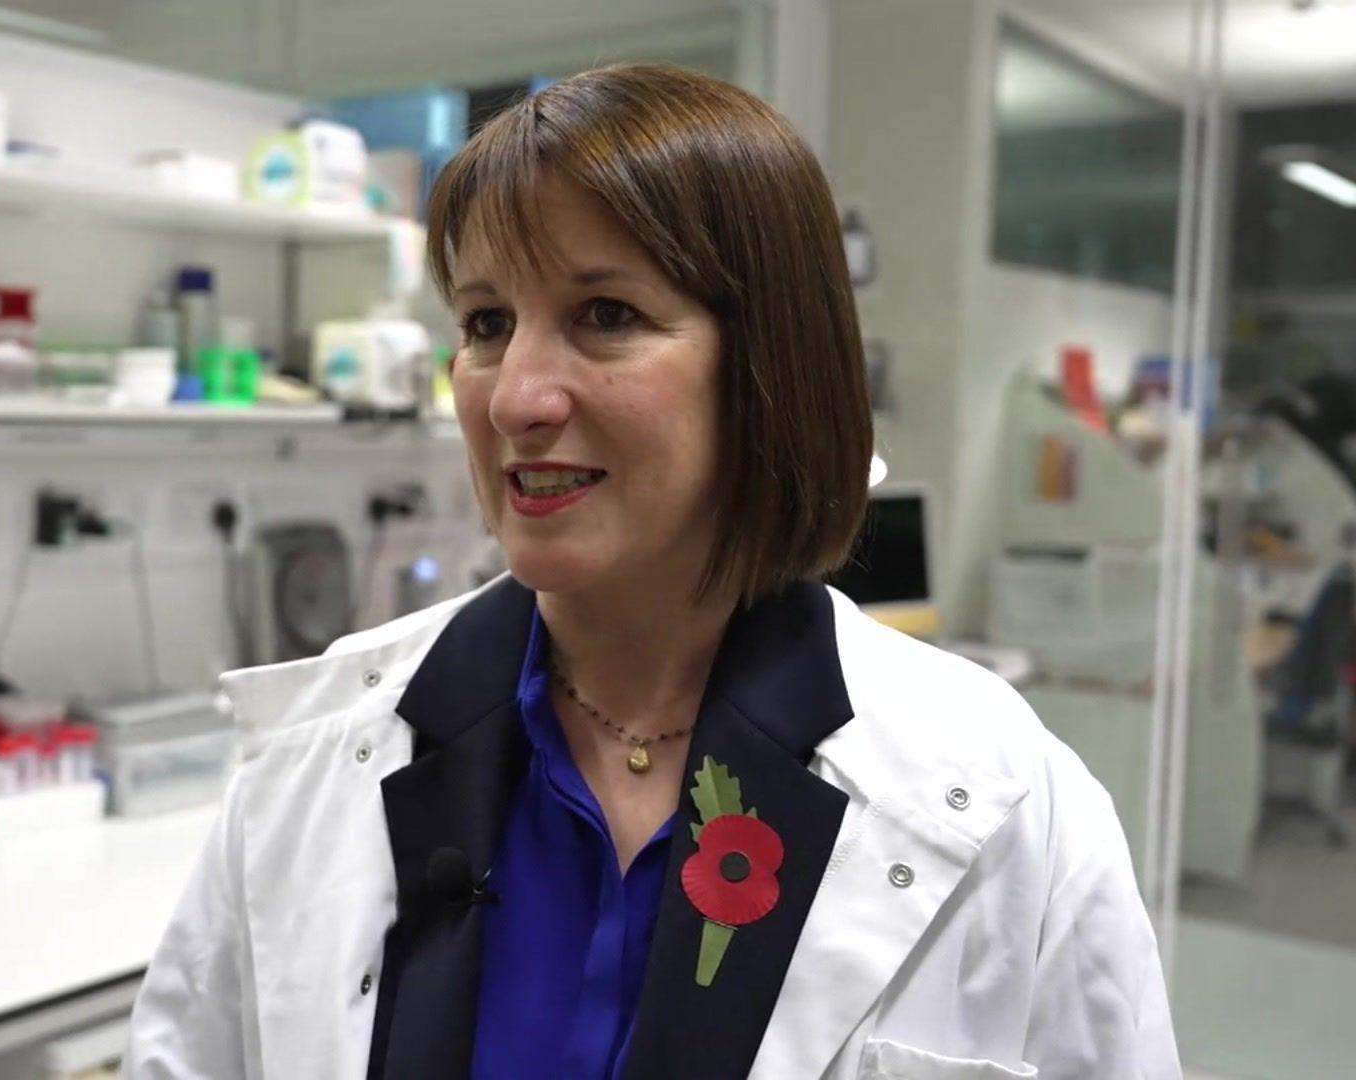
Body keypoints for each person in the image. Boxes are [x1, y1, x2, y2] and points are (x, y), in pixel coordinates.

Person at [125, 63, 1179, 1079]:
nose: (514, 398)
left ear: (769, 366)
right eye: (487, 323)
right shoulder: (312, 761)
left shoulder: (1010, 803)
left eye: (606, 316)